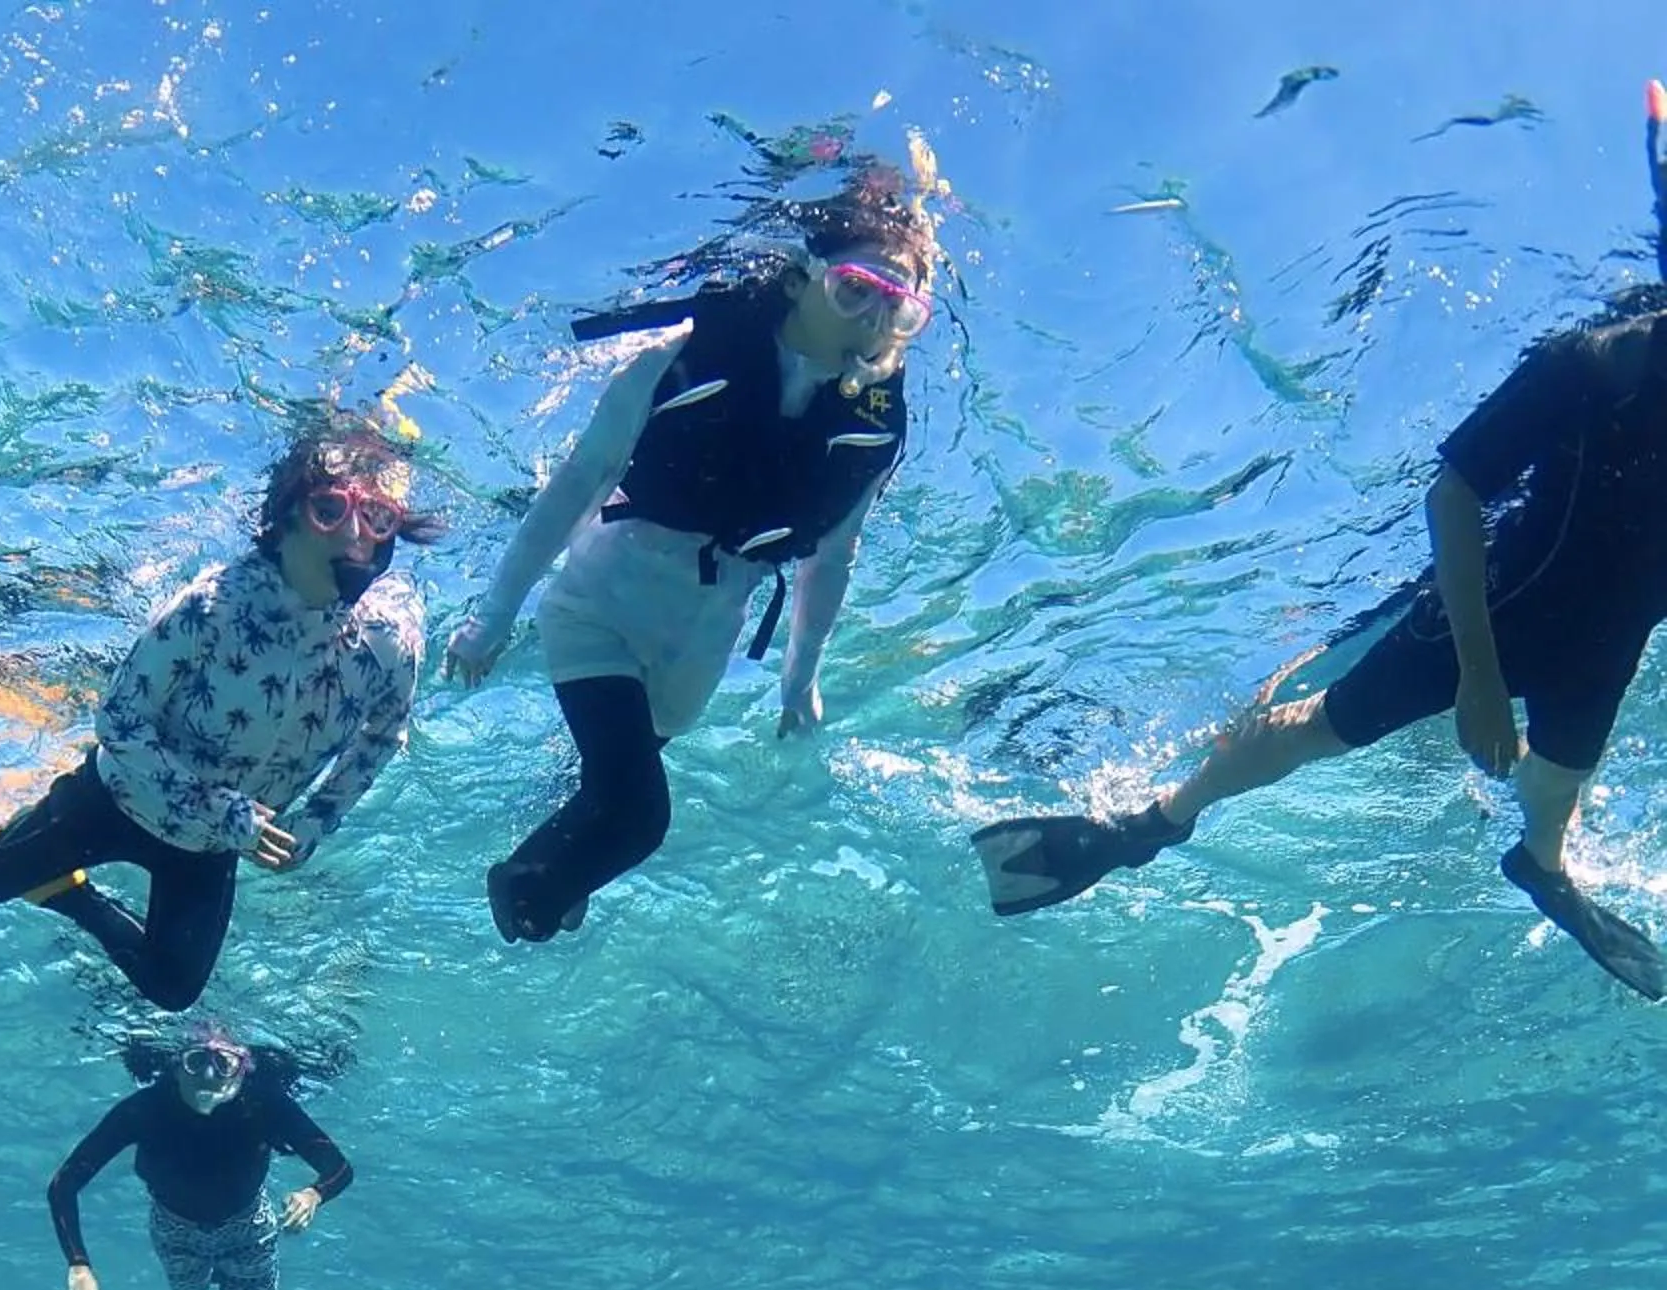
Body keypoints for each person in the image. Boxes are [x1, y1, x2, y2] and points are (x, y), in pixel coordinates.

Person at [970, 294, 1667, 998]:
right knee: (1326, 725)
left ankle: (1542, 867)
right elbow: (1453, 493)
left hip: (1607, 646)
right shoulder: (1591, 366)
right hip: (1503, 609)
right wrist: (1478, 679)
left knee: (1557, 784)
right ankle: (1153, 822)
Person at [443, 163, 933, 943]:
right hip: (602, 606)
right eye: (855, 289)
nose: (871, 320)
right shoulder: (676, 360)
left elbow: (831, 559)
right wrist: (493, 617)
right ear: (805, 274)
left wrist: (798, 681)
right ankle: (522, 892)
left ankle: (546, 865)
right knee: (637, 815)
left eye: (899, 310)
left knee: (607, 798)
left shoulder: (873, 426)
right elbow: (574, 487)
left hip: (701, 643)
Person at [0, 419, 441, 1010]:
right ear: (283, 521)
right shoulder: (211, 608)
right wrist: (226, 813)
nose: (356, 537)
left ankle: (66, 895)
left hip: (210, 844)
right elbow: (120, 724)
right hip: (115, 801)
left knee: (173, 990)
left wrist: (315, 823)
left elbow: (383, 736)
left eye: (377, 518)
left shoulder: (389, 640)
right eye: (330, 511)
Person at [46, 1024, 351, 1290]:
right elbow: (64, 1184)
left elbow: (339, 1167)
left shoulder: (264, 1104)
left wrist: (313, 1194)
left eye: (224, 1063)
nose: (209, 1075)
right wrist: (78, 1262)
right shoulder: (144, 1110)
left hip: (249, 1224)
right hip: (175, 1229)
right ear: (176, 1066)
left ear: (243, 1070)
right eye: (196, 1061)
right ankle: (221, 1287)